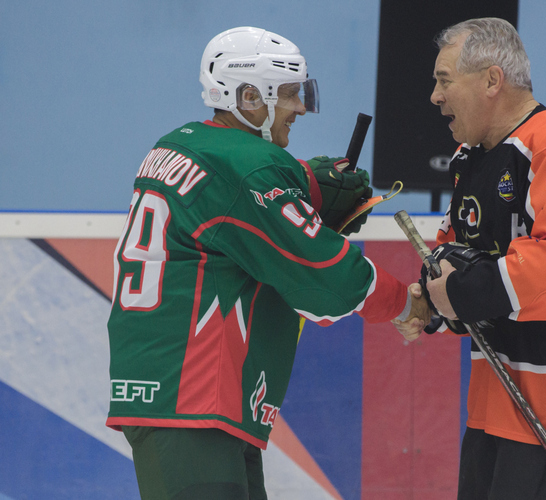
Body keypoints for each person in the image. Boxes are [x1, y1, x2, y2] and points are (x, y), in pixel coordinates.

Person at [106, 26, 430, 500]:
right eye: (290, 94)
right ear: (249, 96)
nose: (300, 107)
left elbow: (233, 201)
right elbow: (326, 279)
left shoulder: (176, 144)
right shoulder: (249, 167)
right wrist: (406, 303)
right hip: (195, 397)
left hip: (179, 393)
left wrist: (304, 185)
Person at [394, 18, 546, 499]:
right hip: (498, 399)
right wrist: (435, 297)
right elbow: (452, 251)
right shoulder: (471, 157)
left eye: (444, 80)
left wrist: (457, 292)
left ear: (491, 80)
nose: (434, 97)